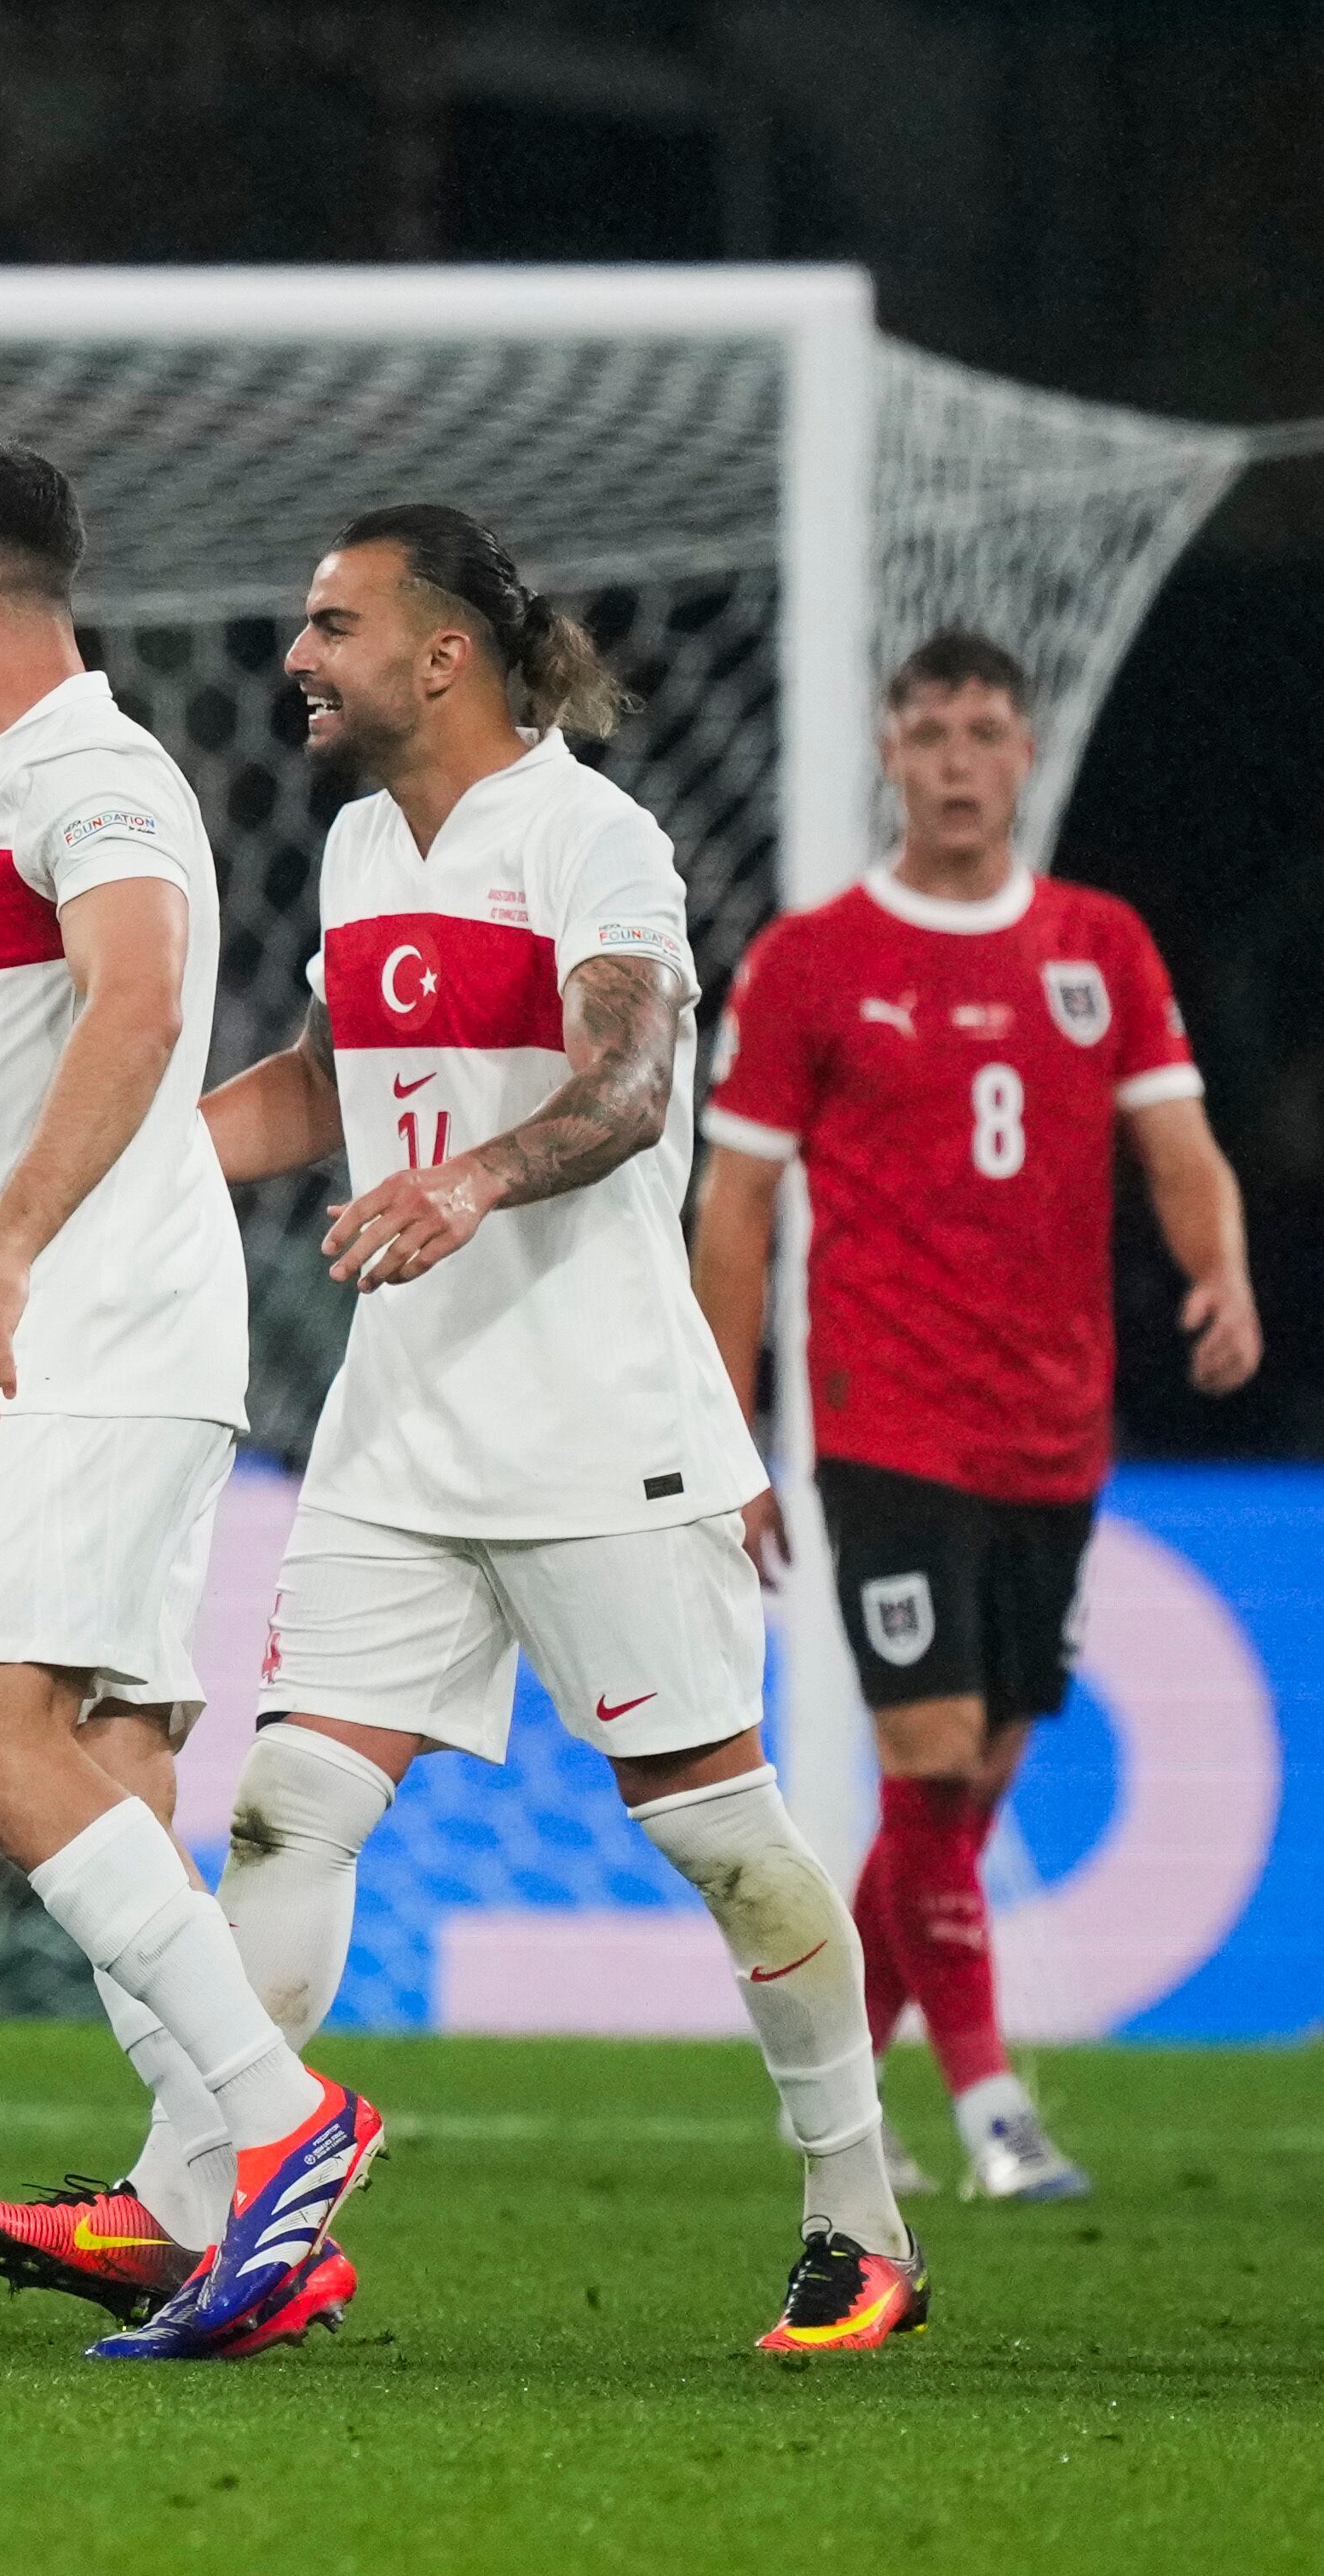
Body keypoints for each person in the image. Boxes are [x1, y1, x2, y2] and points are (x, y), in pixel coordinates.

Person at [193, 503, 922, 2354]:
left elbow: (624, 1078)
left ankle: (859, 2212)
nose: (297, 654)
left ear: (438, 654)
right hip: (398, 1422)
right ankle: (223, 2211)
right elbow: (314, 1084)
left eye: (330, 621)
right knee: (286, 1805)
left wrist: (466, 1181)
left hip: (598, 1419)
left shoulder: (592, 837)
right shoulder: (360, 842)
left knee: (723, 1840)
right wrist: (98, 1182)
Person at [0, 441, 371, 2364]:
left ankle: (280, 2124)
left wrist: (3, 1261)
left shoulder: (85, 771)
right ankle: (206, 2205)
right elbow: (63, 1050)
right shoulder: (28, 779)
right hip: (116, 1314)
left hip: (98, 1332)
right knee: (108, 1754)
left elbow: (139, 1006)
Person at [691, 629, 1259, 2204]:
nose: (955, 758)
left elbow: (1182, 1142)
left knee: (970, 1780)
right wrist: (732, 1430)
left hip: (1054, 1432)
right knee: (928, 1761)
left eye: (983, 731)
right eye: (929, 729)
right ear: (891, 753)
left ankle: (842, 2081)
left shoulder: (1101, 947)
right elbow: (733, 1207)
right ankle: (996, 2110)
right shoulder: (813, 958)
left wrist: (1222, 1272)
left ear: (1022, 753)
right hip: (885, 1421)